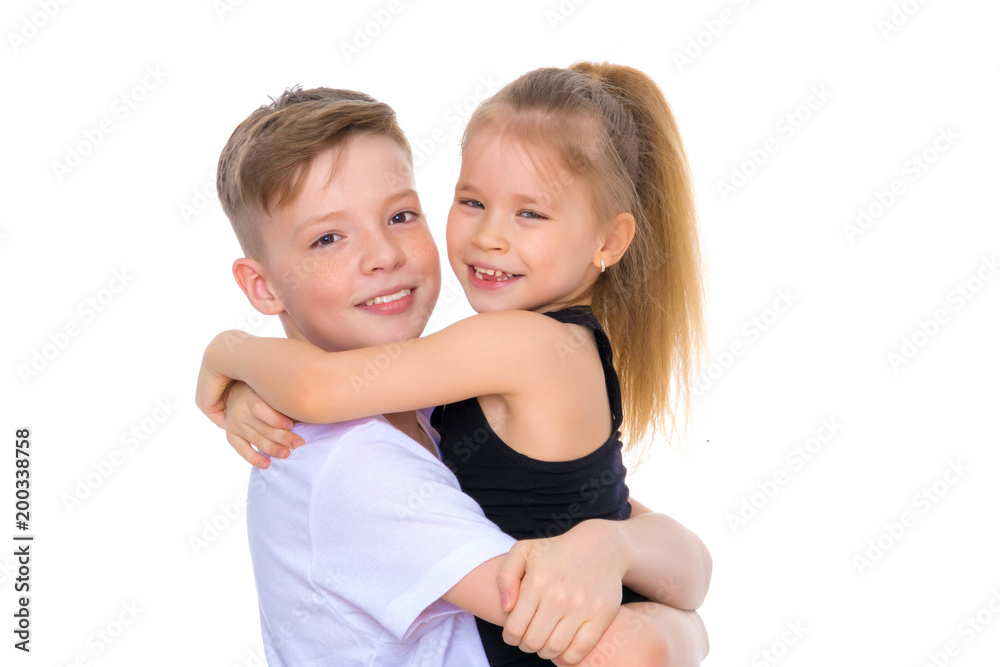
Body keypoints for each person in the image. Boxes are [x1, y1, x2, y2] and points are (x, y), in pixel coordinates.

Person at [204, 84, 710, 666]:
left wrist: (231, 355)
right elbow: (622, 633)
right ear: (261, 285)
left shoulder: (447, 393)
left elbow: (318, 387)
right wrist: (670, 616)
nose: (384, 255)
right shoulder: (355, 467)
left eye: (400, 216)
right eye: (328, 238)